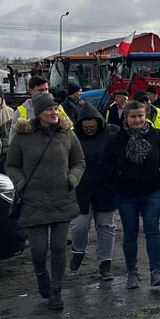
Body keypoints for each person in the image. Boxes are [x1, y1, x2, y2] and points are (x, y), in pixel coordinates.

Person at [5, 93, 86, 311]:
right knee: (39, 250)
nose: (54, 112)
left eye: (56, 109)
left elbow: (79, 161)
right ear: (39, 113)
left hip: (63, 197)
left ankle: (56, 292)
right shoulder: (23, 136)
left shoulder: (67, 134)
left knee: (59, 248)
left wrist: (72, 179)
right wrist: (21, 183)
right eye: (49, 109)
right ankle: (41, 275)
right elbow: (11, 165)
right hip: (33, 199)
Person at [105, 100, 160, 289]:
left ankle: (156, 272)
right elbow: (107, 164)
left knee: (152, 229)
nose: (137, 120)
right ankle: (132, 273)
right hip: (126, 194)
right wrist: (118, 176)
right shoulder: (117, 139)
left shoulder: (157, 135)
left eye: (141, 116)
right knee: (130, 233)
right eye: (133, 117)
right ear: (126, 118)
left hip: (152, 191)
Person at [71, 105, 119, 280]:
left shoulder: (112, 133)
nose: (89, 130)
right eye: (85, 128)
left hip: (105, 189)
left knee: (106, 227)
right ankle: (78, 251)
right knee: (79, 226)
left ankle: (105, 263)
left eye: (92, 127)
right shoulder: (73, 138)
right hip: (81, 188)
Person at [11, 75, 69, 142]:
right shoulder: (20, 112)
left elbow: (69, 134)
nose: (44, 93)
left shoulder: (58, 108)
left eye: (46, 89)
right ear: (30, 91)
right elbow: (13, 141)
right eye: (40, 90)